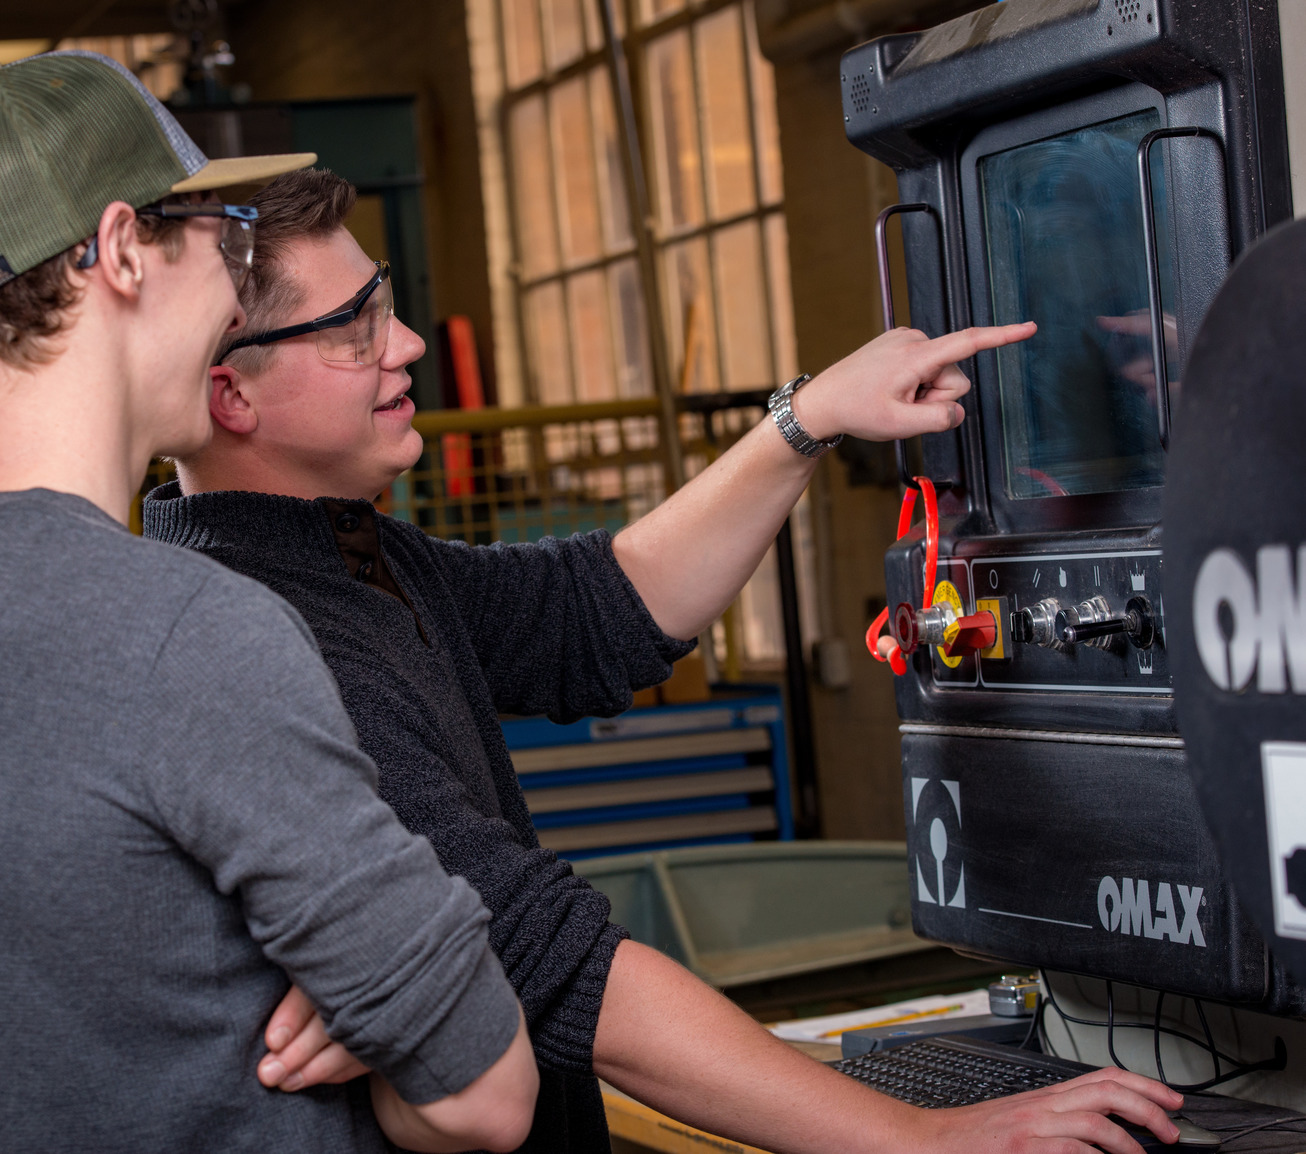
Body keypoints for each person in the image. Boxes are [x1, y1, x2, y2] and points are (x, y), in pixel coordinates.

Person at [144, 167, 1187, 1154]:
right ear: (231, 396)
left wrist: (807, 417)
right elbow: (552, 963)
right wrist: (913, 1134)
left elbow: (593, 608)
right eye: (355, 327)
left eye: (386, 301)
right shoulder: (257, 632)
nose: (407, 340)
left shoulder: (349, 553)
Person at [0, 51, 538, 1153]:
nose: (236, 287)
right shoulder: (183, 630)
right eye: (220, 237)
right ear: (118, 252)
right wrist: (387, 1037)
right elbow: (483, 1093)